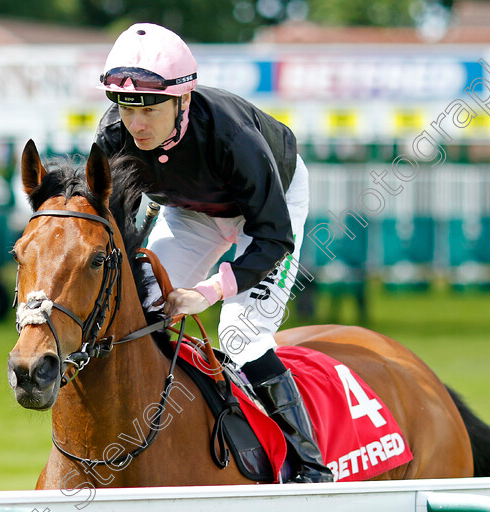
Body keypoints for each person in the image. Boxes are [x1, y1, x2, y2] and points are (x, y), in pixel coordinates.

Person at [95, 23, 332, 483]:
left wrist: (210, 291)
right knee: (142, 308)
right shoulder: (113, 137)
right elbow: (115, 226)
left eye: (149, 109)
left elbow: (274, 236)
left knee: (241, 332)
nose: (136, 125)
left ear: (183, 100)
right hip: (191, 214)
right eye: (126, 108)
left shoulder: (232, 137)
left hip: (265, 214)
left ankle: (310, 465)